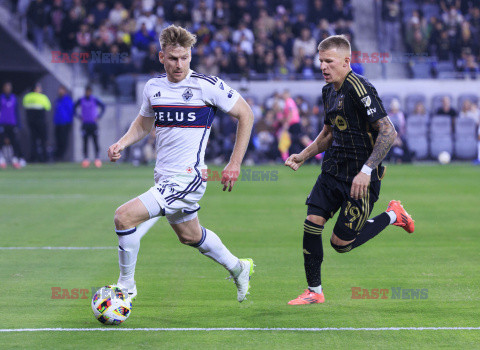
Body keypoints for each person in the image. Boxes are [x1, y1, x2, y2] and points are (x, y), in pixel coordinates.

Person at [107, 25, 255, 302]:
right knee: (189, 235)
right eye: (173, 58)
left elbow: (246, 114)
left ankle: (126, 287)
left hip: (189, 178)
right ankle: (239, 267)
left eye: (185, 57)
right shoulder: (153, 87)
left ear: (191, 56)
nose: (179, 64)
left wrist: (235, 163)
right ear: (161, 56)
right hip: (164, 177)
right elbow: (143, 123)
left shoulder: (206, 85)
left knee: (123, 216)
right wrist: (122, 143)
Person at [285, 35, 415, 305]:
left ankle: (393, 214)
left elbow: (388, 132)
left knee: (340, 244)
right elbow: (328, 132)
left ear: (346, 61)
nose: (323, 67)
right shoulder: (328, 90)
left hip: (360, 178)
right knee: (312, 224)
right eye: (320, 61)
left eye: (329, 61)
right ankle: (314, 291)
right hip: (332, 170)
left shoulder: (360, 88)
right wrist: (304, 155)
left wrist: (367, 170)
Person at [75, 85, 105, 168]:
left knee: (95, 141)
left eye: (89, 91)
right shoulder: (81, 100)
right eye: (87, 91)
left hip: (93, 124)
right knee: (85, 142)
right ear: (85, 92)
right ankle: (86, 159)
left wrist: (99, 116)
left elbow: (103, 106)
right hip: (85, 124)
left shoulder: (94, 99)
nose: (88, 93)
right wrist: (79, 116)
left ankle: (97, 159)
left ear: (91, 92)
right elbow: (73, 108)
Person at [23, 83, 51, 163]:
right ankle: (44, 159)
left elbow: (25, 106)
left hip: (31, 123)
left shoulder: (27, 97)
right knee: (43, 141)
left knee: (33, 141)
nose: (40, 89)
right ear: (36, 89)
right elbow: (48, 107)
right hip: (41, 122)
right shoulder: (42, 97)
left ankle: (33, 158)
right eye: (39, 88)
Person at [0, 82, 25, 168]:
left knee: (14, 142)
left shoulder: (14, 98)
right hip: (2, 123)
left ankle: (15, 159)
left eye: (9, 87)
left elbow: (17, 112)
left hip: (12, 123)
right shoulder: (1, 98)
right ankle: (1, 159)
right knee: (1, 141)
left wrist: (19, 124)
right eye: (6, 87)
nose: (7, 88)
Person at [53, 86, 74, 161]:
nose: (60, 91)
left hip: (65, 123)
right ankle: (58, 156)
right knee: (58, 140)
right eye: (59, 90)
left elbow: (71, 112)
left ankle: (61, 156)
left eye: (61, 90)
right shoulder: (58, 100)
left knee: (63, 141)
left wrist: (68, 122)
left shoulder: (68, 100)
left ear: (65, 91)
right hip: (57, 123)